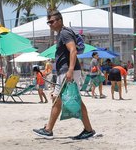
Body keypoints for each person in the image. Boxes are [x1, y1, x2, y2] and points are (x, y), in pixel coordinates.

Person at [33, 10, 95, 140]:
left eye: (52, 21)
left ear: (59, 21)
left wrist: (70, 70)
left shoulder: (65, 33)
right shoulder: (63, 33)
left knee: (58, 99)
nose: (50, 24)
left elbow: (73, 50)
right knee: (65, 99)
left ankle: (49, 130)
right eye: (48, 22)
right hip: (66, 70)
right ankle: (88, 130)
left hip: (68, 70)